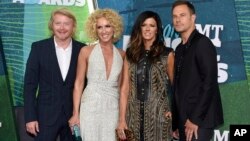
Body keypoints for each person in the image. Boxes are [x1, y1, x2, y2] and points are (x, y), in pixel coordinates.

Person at [24, 8, 85, 141]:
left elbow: (84, 84)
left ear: (73, 26)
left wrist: (80, 114)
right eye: (58, 23)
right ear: (52, 25)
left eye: (66, 23)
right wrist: (30, 117)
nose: (62, 28)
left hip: (73, 118)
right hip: (44, 118)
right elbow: (30, 85)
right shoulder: (38, 48)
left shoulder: (82, 49)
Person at [117, 11, 175, 141]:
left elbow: (176, 86)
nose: (148, 29)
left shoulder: (167, 54)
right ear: (139, 28)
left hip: (159, 119)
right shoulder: (130, 54)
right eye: (144, 25)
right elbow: (125, 88)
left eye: (152, 25)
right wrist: (122, 119)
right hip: (132, 119)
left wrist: (174, 112)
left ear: (157, 30)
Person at [68, 9, 125, 141]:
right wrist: (75, 113)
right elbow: (78, 83)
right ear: (95, 29)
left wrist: (123, 117)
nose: (104, 31)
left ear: (114, 28)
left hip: (113, 108)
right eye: (99, 27)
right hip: (90, 106)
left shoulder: (122, 54)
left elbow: (122, 88)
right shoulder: (86, 51)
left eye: (107, 26)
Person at [171, 1, 224, 141]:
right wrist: (176, 122)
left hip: (199, 121)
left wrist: (195, 119)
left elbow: (209, 83)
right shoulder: (180, 48)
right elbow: (179, 88)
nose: (178, 19)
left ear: (193, 17)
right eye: (175, 16)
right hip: (184, 120)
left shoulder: (203, 43)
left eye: (182, 15)